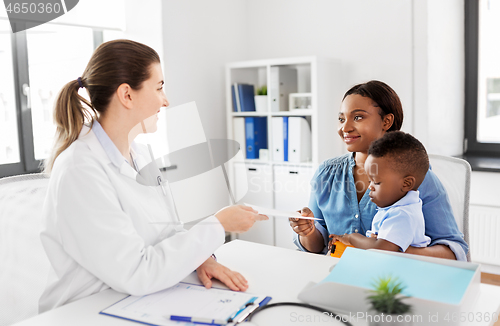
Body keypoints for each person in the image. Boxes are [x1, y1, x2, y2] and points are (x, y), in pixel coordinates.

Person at [38, 39, 267, 313]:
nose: (166, 100)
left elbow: (168, 232)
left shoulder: (141, 155)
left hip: (136, 301)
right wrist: (217, 225)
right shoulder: (80, 170)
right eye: (159, 88)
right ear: (127, 95)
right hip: (85, 311)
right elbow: (137, 271)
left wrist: (201, 258)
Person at [289, 80, 468, 261]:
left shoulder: (418, 179)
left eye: (358, 117)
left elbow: (453, 252)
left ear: (386, 121)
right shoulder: (326, 173)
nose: (345, 128)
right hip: (337, 273)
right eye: (341, 119)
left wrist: (391, 249)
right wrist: (308, 231)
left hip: (390, 282)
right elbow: (317, 246)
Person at [328, 131, 431, 253]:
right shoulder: (397, 208)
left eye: (376, 182)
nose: (370, 187)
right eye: (369, 181)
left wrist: (352, 238)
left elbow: (381, 248)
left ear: (406, 183)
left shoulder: (402, 214)